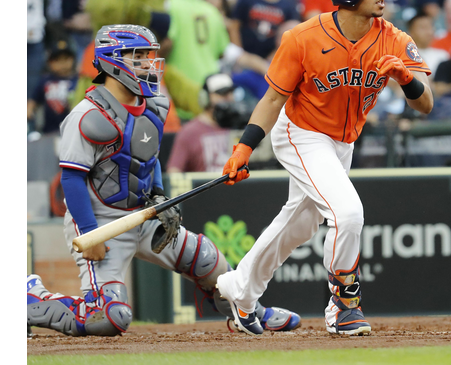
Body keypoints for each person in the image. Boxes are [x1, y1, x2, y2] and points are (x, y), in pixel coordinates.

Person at [27, 24, 302, 337]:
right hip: (101, 220)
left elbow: (148, 159)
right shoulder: (87, 115)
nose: (148, 63)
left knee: (207, 259)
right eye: (138, 56)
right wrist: (91, 234)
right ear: (112, 60)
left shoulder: (154, 104)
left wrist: (158, 196)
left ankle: (248, 311)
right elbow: (71, 179)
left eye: (149, 55)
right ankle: (29, 299)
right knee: (108, 317)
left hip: (143, 215)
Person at [215, 0, 434, 336]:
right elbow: (271, 99)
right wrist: (244, 147)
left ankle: (241, 291)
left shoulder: (394, 39)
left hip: (340, 143)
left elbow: (425, 104)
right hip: (301, 132)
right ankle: (344, 304)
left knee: (299, 225)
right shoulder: (302, 38)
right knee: (348, 213)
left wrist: (407, 80)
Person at [162, 0, 230, 86]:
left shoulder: (169, 4)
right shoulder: (210, 9)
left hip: (180, 81)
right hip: (209, 81)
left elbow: (168, 42)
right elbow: (222, 52)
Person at [166, 74, 245, 173]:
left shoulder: (240, 125)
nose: (228, 98)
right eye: (223, 94)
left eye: (230, 93)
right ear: (205, 98)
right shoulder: (190, 132)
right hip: (207, 187)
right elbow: (174, 171)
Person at [233, 0, 301, 59]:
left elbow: (291, 34)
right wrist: (238, 51)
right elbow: (235, 26)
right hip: (245, 54)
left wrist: (274, 56)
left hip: (274, 57)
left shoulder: (288, 5)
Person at [27, 41, 79, 135]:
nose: (62, 63)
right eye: (57, 60)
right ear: (50, 62)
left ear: (73, 59)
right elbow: (34, 98)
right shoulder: (46, 80)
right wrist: (29, 108)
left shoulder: (78, 80)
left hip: (73, 129)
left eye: (66, 59)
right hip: (49, 130)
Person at [407, 11, 450, 77]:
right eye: (423, 28)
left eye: (430, 27)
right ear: (411, 32)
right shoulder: (403, 56)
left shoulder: (443, 56)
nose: (428, 32)